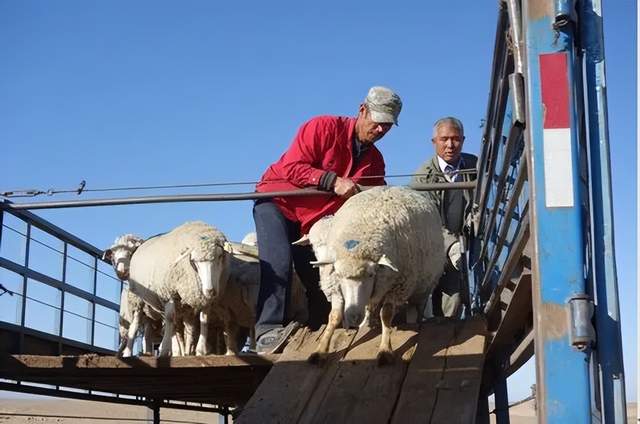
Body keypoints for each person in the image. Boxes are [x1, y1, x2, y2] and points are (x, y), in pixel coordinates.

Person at [252, 86, 402, 353]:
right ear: (362, 110)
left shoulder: (375, 162)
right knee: (278, 263)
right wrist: (331, 180)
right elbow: (293, 167)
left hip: (314, 221)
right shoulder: (322, 127)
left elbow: (367, 202)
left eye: (388, 126)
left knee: (320, 276)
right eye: (378, 121)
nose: (381, 130)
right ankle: (267, 331)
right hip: (277, 201)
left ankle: (319, 332)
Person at [410, 117, 477, 319]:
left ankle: (453, 335)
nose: (450, 145)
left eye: (456, 139)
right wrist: (451, 246)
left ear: (463, 140)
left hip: (463, 245)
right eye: (444, 139)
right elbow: (427, 219)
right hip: (431, 246)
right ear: (434, 142)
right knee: (424, 299)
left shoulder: (475, 165)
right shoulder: (423, 176)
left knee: (455, 298)